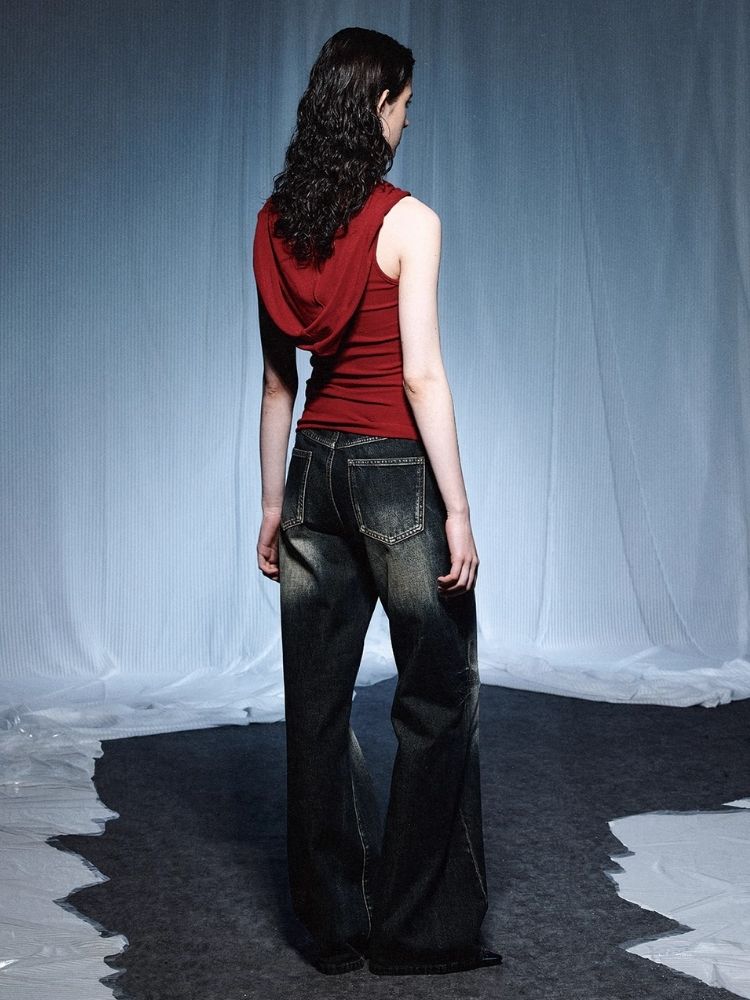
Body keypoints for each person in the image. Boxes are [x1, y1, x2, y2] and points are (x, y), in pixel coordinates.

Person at [252, 26, 502, 978]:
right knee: (436, 697)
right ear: (376, 108)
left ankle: (335, 926)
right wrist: (459, 510)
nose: (408, 121)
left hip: (311, 472)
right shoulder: (411, 222)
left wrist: (270, 504)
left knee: (315, 706)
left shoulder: (275, 225)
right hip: (397, 474)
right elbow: (421, 376)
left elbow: (278, 385)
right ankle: (418, 930)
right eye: (403, 104)